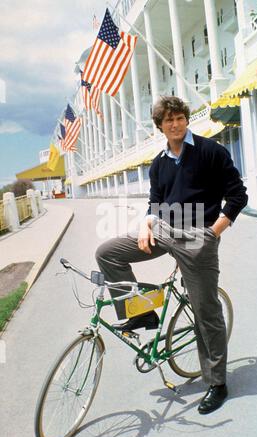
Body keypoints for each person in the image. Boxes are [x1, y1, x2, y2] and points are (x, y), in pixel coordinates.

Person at [96, 96, 248, 414]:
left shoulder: (210, 151)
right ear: (160, 126)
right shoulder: (159, 163)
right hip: (165, 229)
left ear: (186, 119)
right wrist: (146, 225)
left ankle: (217, 383)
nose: (175, 124)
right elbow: (156, 201)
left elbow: (237, 195)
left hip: (198, 237)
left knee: (206, 312)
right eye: (168, 121)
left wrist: (212, 233)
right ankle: (142, 312)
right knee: (108, 253)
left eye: (179, 118)